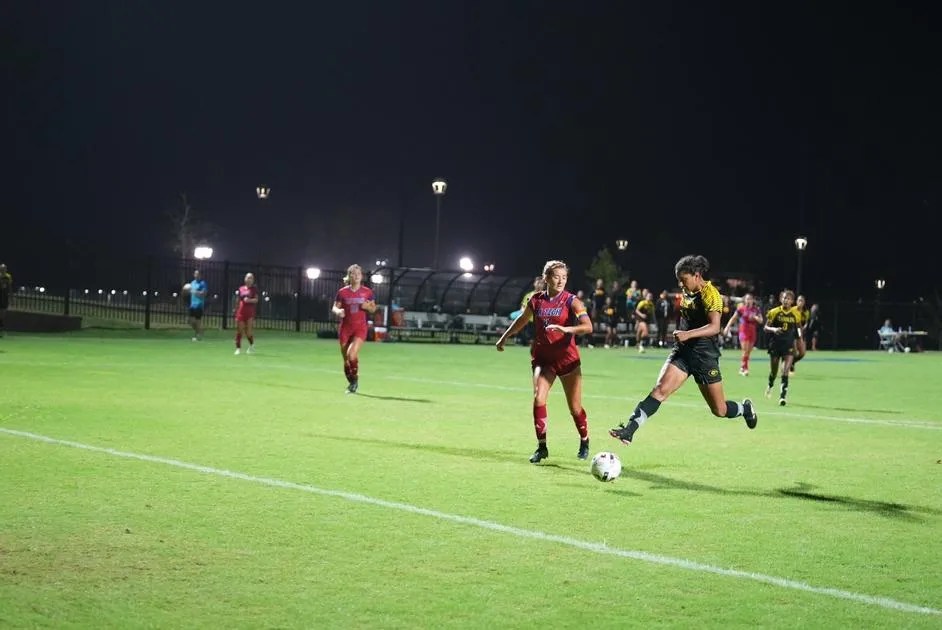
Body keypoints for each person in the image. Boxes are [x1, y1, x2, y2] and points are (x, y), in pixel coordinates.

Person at [609, 255, 758, 446]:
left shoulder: (711, 295)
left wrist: (688, 334)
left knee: (719, 410)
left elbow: (715, 327)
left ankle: (744, 409)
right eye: (679, 280)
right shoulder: (688, 291)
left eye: (684, 279)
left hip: (705, 357)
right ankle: (629, 430)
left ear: (697, 275)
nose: (681, 284)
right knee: (660, 390)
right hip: (683, 353)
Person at [495, 260, 594, 463]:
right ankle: (542, 447)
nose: (561, 281)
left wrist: (567, 329)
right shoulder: (536, 300)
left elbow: (588, 326)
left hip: (567, 360)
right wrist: (504, 337)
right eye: (556, 276)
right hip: (543, 360)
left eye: (564, 277)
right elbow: (522, 320)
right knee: (539, 398)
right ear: (546, 278)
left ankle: (584, 440)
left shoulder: (572, 301)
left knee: (575, 408)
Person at [332, 264, 377, 393]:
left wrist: (368, 307)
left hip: (360, 328)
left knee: (351, 354)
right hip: (345, 328)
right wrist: (338, 311)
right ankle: (351, 382)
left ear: (361, 276)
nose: (356, 276)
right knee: (346, 360)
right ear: (349, 276)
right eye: (353, 273)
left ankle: (355, 381)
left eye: (358, 273)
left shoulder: (367, 292)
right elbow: (334, 307)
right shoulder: (342, 292)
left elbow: (374, 309)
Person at [764, 290, 801, 405]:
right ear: (781, 299)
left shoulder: (796, 313)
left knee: (785, 371)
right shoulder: (774, 312)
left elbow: (798, 328)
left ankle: (782, 396)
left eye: (789, 299)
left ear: (792, 301)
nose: (786, 300)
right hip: (775, 344)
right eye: (784, 298)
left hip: (788, 345)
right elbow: (765, 327)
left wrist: (799, 340)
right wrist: (773, 329)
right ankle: (770, 385)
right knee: (774, 372)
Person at [722, 293, 763, 375]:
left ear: (752, 300)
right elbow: (733, 318)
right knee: (745, 350)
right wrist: (727, 327)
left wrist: (756, 318)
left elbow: (761, 320)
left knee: (748, 351)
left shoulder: (756, 310)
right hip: (744, 330)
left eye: (750, 299)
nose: (749, 301)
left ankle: (742, 367)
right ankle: (745, 368)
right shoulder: (741, 309)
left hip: (752, 331)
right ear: (744, 300)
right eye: (747, 299)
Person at [233, 272, 259, 355]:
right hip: (241, 311)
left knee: (248, 332)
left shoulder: (254, 289)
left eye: (251, 278)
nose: (249, 279)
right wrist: (236, 309)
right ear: (245, 279)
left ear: (253, 280)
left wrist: (249, 300)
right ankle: (238, 348)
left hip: (250, 312)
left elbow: (256, 300)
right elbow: (238, 300)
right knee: (239, 330)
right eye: (248, 278)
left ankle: (252, 345)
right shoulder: (241, 289)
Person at [186, 269, 208, 341]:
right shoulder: (192, 283)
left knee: (197, 321)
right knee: (190, 321)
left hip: (199, 305)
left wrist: (195, 292)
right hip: (192, 305)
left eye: (198, 274)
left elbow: (204, 294)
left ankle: (197, 336)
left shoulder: (203, 283)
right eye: (195, 274)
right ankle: (200, 331)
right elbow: (189, 292)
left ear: (200, 275)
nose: (196, 275)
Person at [790, 294, 810, 373]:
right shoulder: (793, 310)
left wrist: (804, 327)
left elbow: (806, 322)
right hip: (793, 333)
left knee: (802, 353)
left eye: (802, 301)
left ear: (804, 302)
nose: (800, 302)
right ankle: (789, 366)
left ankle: (792, 362)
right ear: (796, 301)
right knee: (794, 351)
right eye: (799, 300)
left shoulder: (806, 312)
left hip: (801, 333)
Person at [0, 263, 11, 337]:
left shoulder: (8, 277)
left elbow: (10, 286)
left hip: (5, 297)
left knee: (3, 313)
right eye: (1, 269)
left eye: (4, 269)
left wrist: (11, 295)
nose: (3, 270)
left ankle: (1, 326)